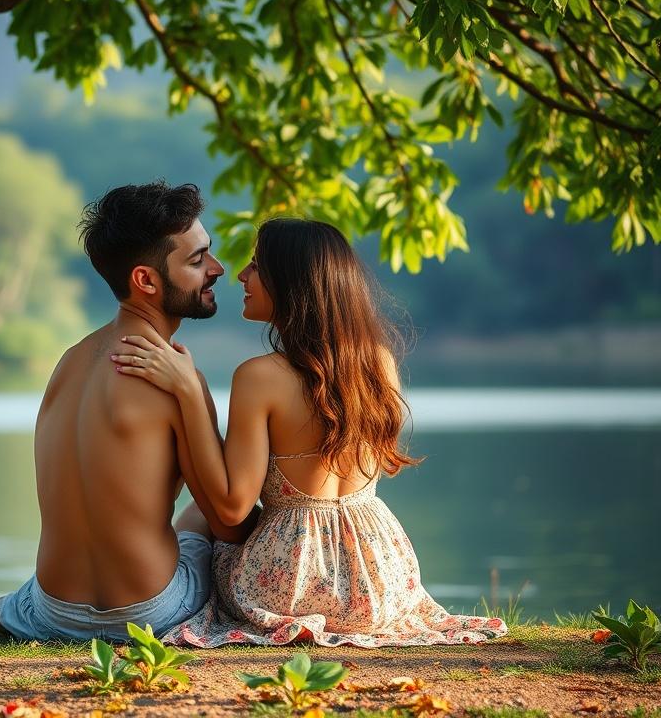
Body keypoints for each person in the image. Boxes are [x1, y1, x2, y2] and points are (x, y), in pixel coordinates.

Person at [111, 218, 508, 647]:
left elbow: (230, 509)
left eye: (256, 266)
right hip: (379, 583)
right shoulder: (378, 362)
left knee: (198, 515)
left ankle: (137, 595)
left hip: (289, 586)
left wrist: (190, 393)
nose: (241, 276)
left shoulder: (259, 377)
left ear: (292, 282)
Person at [0, 181, 252, 641]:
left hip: (56, 609)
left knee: (11, 605)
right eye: (197, 260)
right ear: (146, 280)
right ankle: (10, 615)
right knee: (198, 516)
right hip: (151, 611)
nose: (216, 269)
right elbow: (228, 524)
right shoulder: (175, 378)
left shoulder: (68, 362)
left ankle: (7, 617)